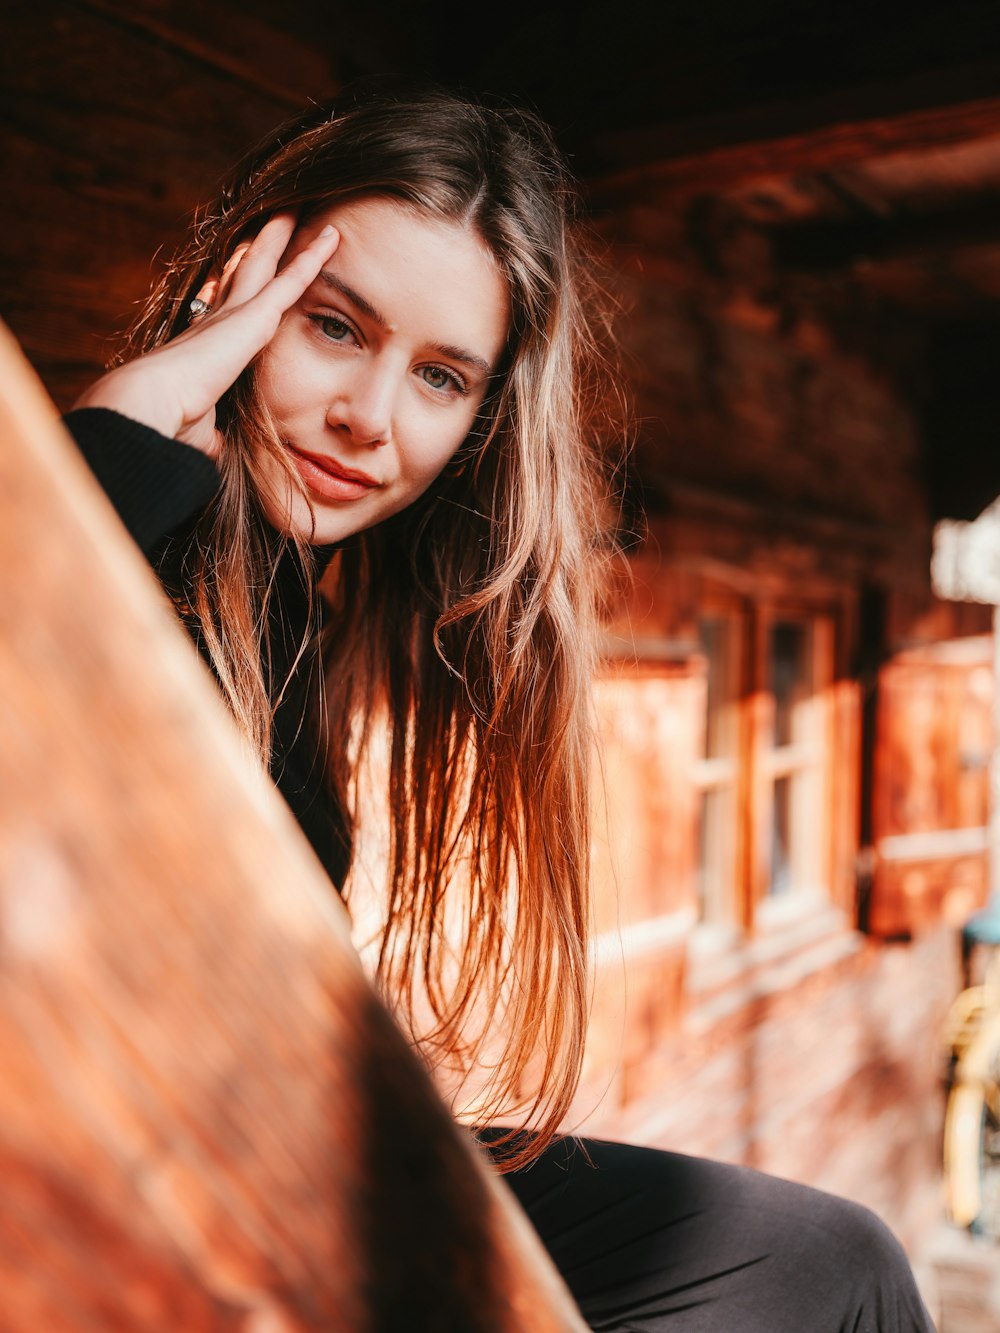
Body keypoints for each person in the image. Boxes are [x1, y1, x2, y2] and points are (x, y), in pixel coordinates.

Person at [65, 84, 935, 1331]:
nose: (369, 418)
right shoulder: (130, 551)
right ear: (236, 298)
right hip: (134, 1236)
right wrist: (119, 430)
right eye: (329, 326)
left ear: (481, 420)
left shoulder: (294, 611)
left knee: (835, 1260)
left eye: (439, 375)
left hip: (283, 1189)